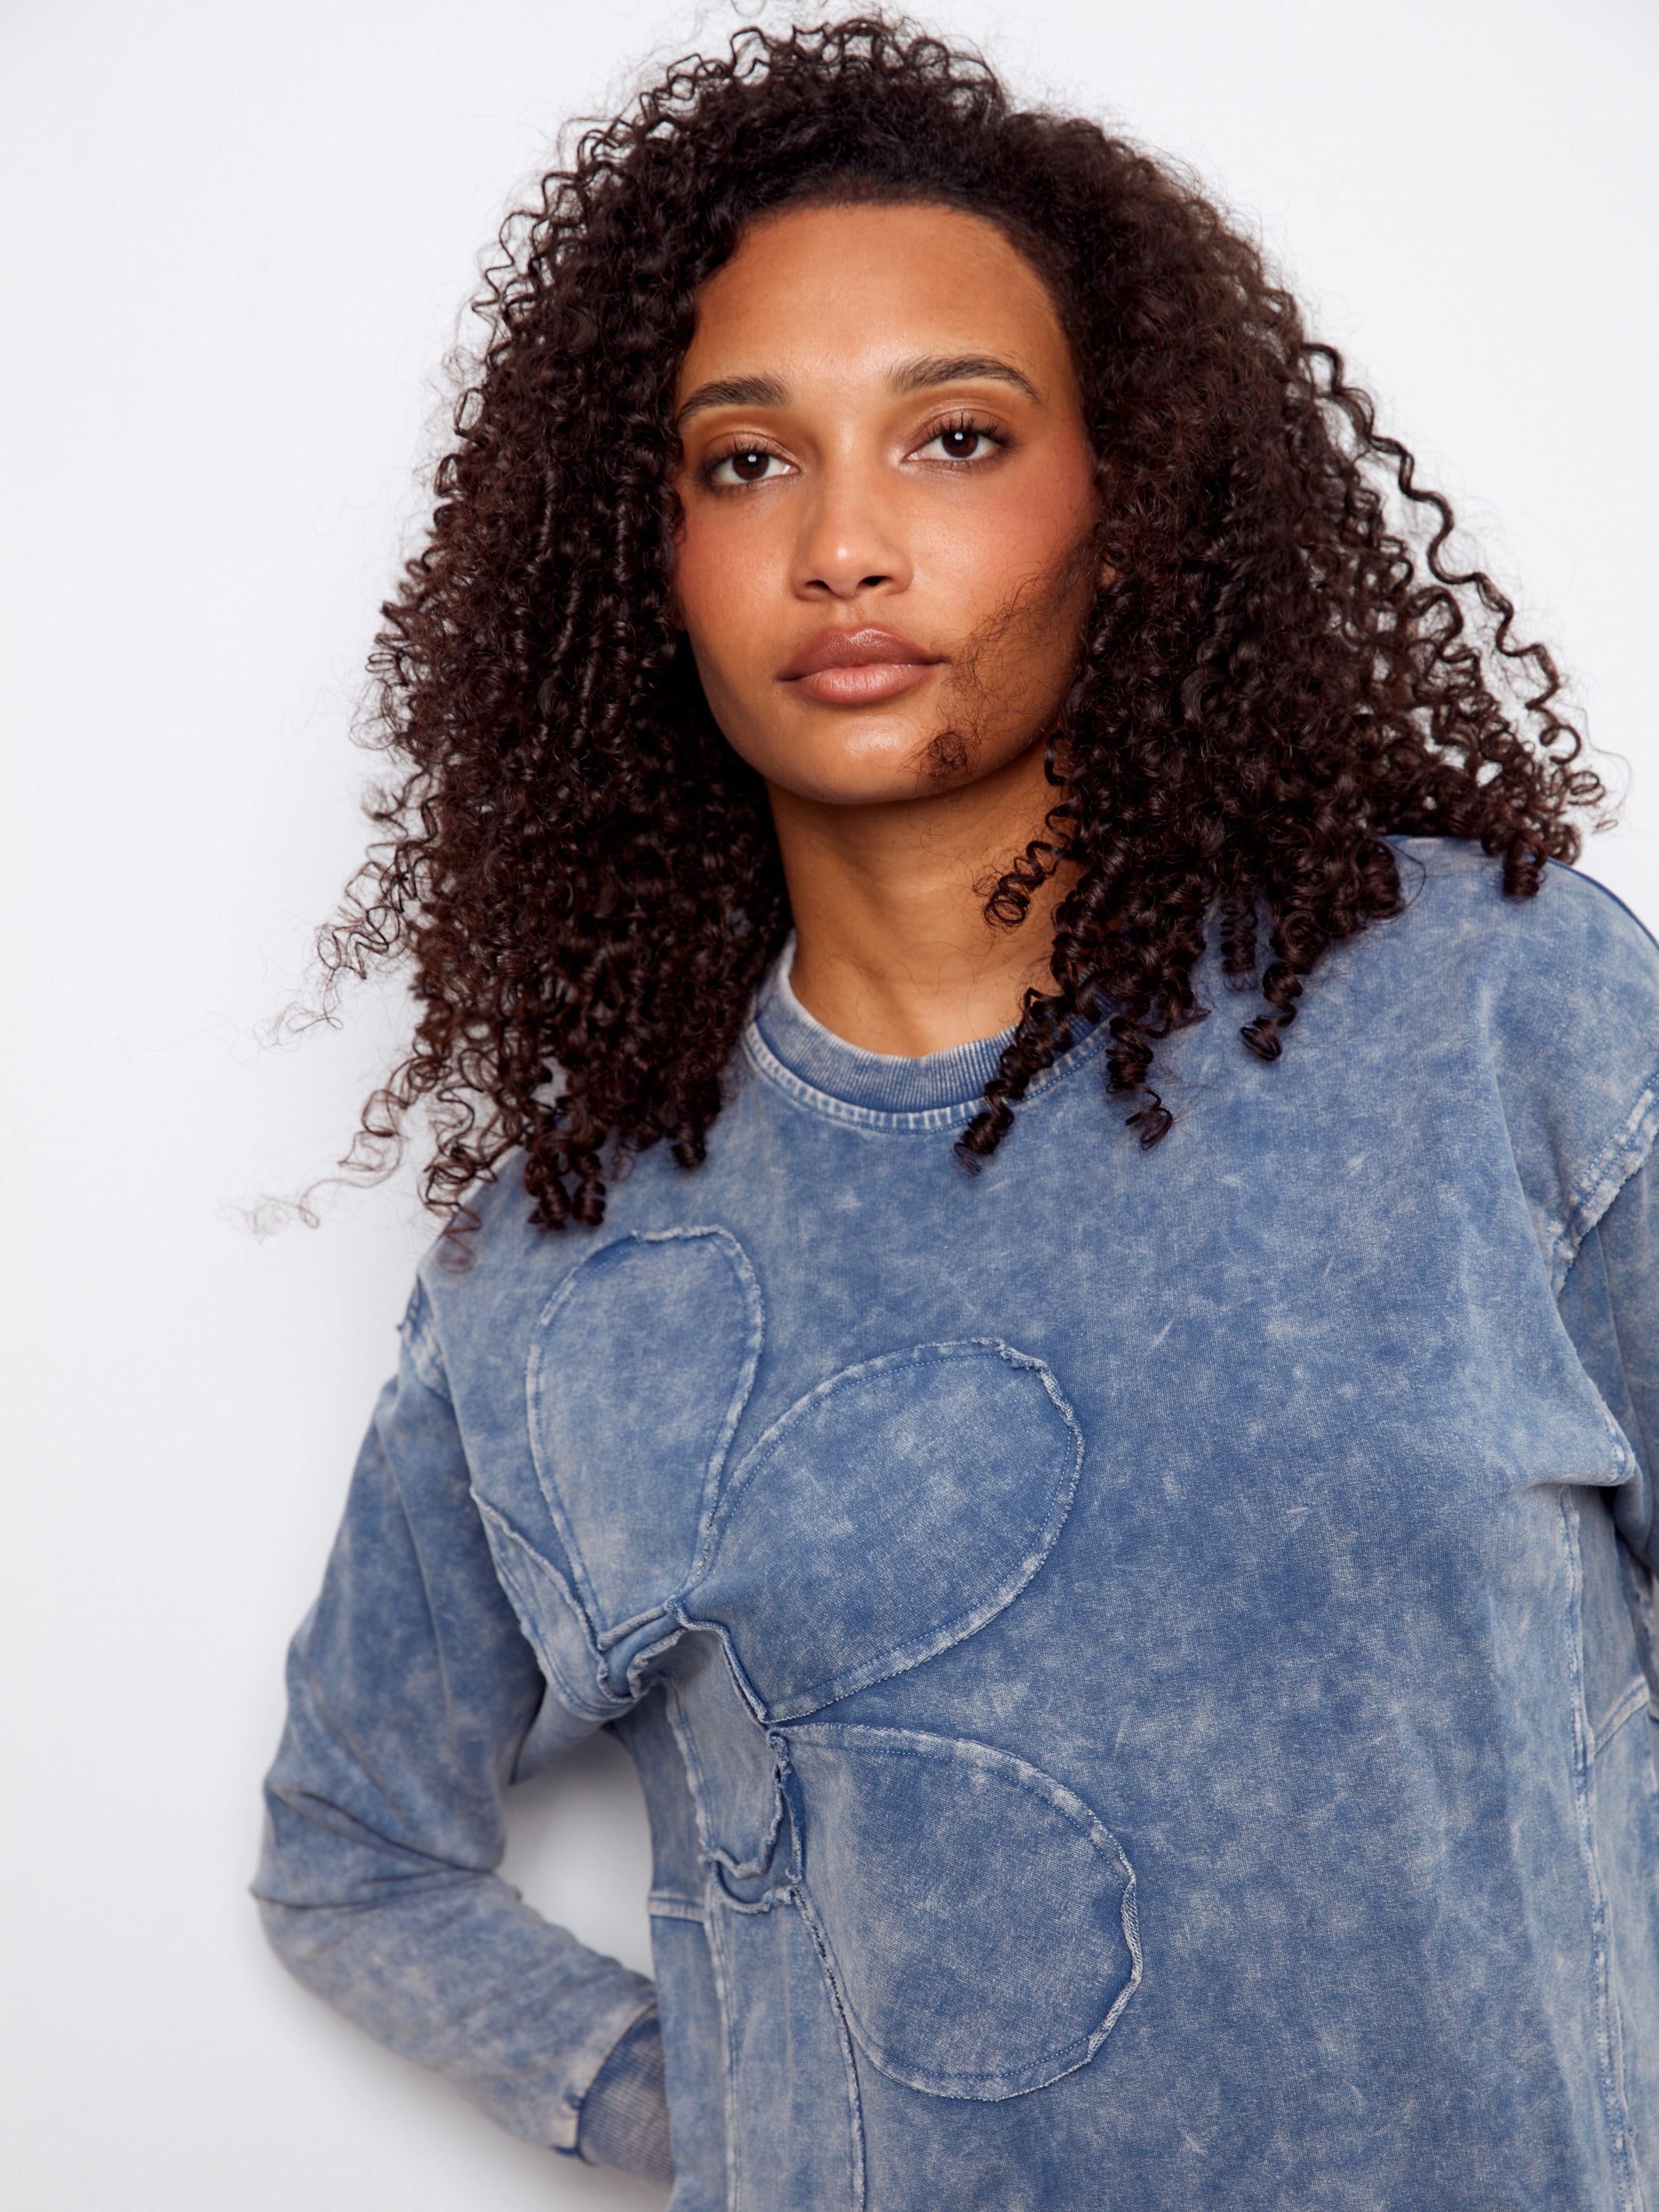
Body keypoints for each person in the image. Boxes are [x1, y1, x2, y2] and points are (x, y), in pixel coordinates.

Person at [254, 19, 1659, 2207]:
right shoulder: (564, 1265)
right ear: (648, 558)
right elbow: (351, 1849)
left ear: (1125, 499)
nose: (842, 543)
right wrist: (748, 2117)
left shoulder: (1489, 1012)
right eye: (746, 462)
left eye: (955, 438)